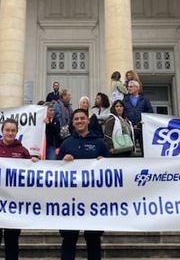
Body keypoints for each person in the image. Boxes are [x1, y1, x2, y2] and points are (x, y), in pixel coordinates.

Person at [58, 109, 110, 260]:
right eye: (76, 119)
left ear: (88, 121)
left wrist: (104, 162)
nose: (79, 121)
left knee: (93, 239)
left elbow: (112, 168)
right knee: (69, 239)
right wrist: (62, 162)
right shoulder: (66, 143)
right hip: (70, 201)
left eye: (82, 118)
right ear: (72, 122)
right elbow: (54, 171)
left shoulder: (99, 142)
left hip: (94, 201)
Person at [0, 119, 38, 260]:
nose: (10, 133)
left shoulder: (23, 151)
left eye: (13, 130)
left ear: (16, 132)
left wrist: (34, 164)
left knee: (12, 242)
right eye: (7, 130)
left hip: (14, 206)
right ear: (2, 131)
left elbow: (30, 175)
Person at [123, 80, 153, 155]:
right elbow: (122, 112)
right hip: (129, 128)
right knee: (128, 150)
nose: (128, 88)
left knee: (145, 149)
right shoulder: (125, 100)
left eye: (131, 87)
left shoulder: (144, 99)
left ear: (137, 88)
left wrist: (143, 121)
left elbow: (150, 111)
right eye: (128, 87)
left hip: (142, 128)